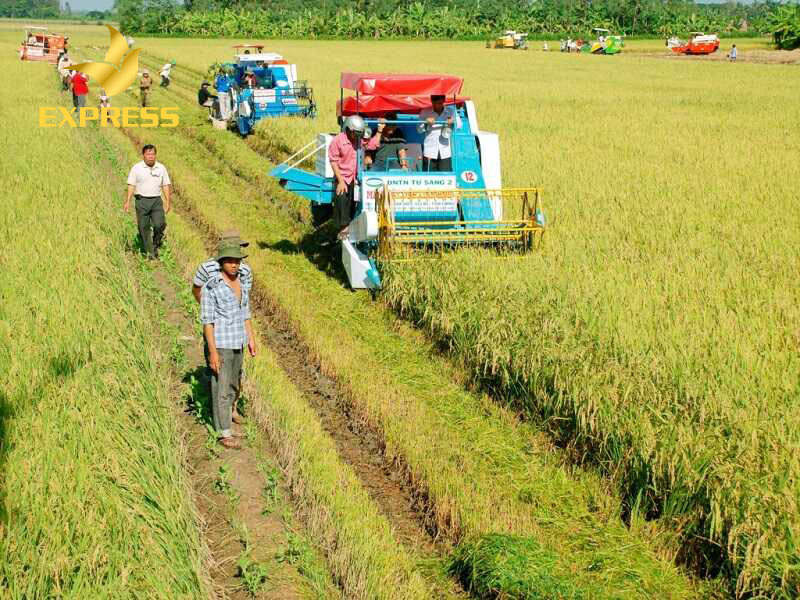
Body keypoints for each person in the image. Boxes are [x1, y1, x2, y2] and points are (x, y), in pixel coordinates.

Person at [200, 239, 257, 450]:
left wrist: (250, 338)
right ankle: (224, 432)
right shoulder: (211, 287)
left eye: (238, 261)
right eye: (230, 261)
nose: (235, 265)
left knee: (234, 384)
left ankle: (229, 418)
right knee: (221, 389)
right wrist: (213, 352)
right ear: (222, 262)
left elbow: (246, 313)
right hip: (222, 344)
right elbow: (208, 322)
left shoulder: (242, 283)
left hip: (238, 342)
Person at [328, 114, 384, 240]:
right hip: (342, 176)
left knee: (354, 202)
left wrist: (380, 130)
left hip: (355, 177)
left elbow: (372, 145)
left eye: (360, 134)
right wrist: (341, 181)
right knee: (341, 198)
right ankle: (343, 229)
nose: (358, 137)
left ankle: (353, 226)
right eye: (356, 133)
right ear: (348, 130)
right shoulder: (338, 141)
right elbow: (333, 161)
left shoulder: (358, 139)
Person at [124, 145, 172, 259]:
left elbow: (165, 185)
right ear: (143, 155)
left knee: (159, 224)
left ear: (155, 155)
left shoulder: (161, 168)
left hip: (156, 201)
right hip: (141, 201)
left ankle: (155, 245)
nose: (151, 157)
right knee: (143, 227)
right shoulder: (137, 168)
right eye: (148, 154)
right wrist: (127, 201)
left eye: (153, 154)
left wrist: (168, 201)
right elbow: (131, 185)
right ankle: (150, 253)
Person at [417, 94, 461, 172]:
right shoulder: (425, 112)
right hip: (429, 151)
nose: (437, 106)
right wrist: (426, 124)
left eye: (440, 103)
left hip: (445, 151)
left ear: (444, 101)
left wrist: (453, 122)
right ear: (432, 102)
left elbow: (459, 126)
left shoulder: (451, 111)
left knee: (446, 178)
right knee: (429, 179)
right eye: (435, 104)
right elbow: (418, 130)